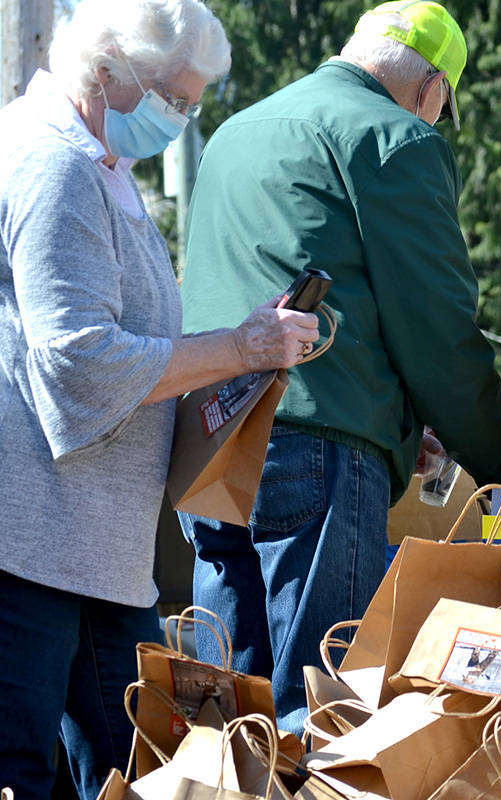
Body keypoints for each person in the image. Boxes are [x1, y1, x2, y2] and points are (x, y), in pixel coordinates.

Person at [177, 0, 501, 736]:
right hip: (319, 448)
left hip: (205, 444)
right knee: (319, 715)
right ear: (432, 88)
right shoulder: (396, 137)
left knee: (217, 720)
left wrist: (400, 423)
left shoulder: (235, 134)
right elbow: (438, 329)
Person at [0, 0, 318, 796]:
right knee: (31, 772)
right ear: (107, 70)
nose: (186, 117)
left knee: (144, 772)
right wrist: (236, 350)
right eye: (177, 97)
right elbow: (81, 362)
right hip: (34, 546)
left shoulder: (99, 163)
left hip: (93, 551)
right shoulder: (54, 163)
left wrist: (230, 372)